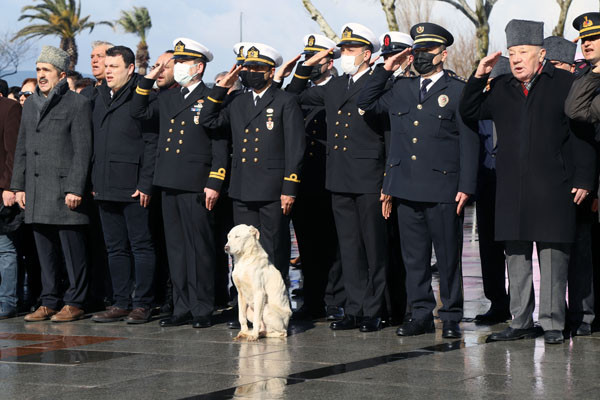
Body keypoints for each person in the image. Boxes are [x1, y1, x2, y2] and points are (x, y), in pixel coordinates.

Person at [461, 19, 596, 344]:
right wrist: (479, 76)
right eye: (512, 52)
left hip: (554, 187)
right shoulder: (503, 86)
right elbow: (469, 110)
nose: (517, 58)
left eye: (523, 52)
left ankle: (552, 323)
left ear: (542, 54)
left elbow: (582, 135)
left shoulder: (564, 82)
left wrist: (584, 177)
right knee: (517, 259)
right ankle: (521, 321)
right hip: (512, 190)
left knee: (552, 258)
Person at [357, 22, 479, 339]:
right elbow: (365, 102)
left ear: (443, 54)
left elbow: (469, 141)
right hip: (406, 187)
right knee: (414, 259)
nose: (422, 55)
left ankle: (450, 316)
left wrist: (467, 186)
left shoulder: (457, 90)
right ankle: (421, 313)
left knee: (448, 257)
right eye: (418, 50)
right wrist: (386, 68)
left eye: (428, 50)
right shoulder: (401, 88)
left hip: (443, 188)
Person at [285, 23, 388, 332]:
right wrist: (306, 67)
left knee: (373, 249)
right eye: (342, 50)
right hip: (339, 178)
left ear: (367, 54)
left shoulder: (378, 81)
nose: (345, 55)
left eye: (351, 50)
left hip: (369, 177)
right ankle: (353, 309)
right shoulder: (335, 86)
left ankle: (374, 310)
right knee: (350, 248)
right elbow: (292, 97)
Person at [132, 38, 228, 329]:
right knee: (176, 248)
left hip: (196, 182)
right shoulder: (168, 97)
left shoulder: (210, 97)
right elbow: (138, 111)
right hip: (169, 179)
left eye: (183, 62)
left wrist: (215, 181)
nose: (178, 67)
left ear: (199, 68)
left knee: (199, 248)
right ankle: (183, 306)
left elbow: (220, 144)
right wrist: (149, 77)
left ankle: (202, 307)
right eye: (177, 62)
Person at [202, 42, 305, 286]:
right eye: (248, 68)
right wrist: (221, 89)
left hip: (273, 188)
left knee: (273, 247)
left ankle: (275, 301)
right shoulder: (238, 101)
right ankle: (248, 301)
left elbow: (295, 147)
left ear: (271, 71)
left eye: (258, 68)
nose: (252, 73)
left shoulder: (285, 101)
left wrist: (289, 188)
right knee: (245, 250)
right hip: (243, 187)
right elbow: (208, 120)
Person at [11, 45, 92, 323]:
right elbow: (22, 147)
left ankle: (76, 301)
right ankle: (48, 301)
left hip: (63, 190)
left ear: (61, 74)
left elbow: (83, 150)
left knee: (72, 250)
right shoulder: (31, 104)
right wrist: (18, 186)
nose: (41, 75)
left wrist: (75, 188)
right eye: (38, 69)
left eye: (46, 70)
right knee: (44, 251)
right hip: (36, 189)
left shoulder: (77, 104)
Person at [276, 34, 345, 321]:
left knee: (333, 243)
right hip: (304, 178)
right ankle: (313, 300)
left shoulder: (340, 87)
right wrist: (295, 73)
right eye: (308, 59)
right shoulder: (299, 92)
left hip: (330, 175)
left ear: (330, 62)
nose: (311, 64)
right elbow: (286, 98)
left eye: (317, 59)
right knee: (307, 244)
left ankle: (335, 300)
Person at [88, 46, 158, 324]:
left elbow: (151, 143)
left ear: (130, 69)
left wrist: (146, 183)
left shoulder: (142, 95)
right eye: (106, 66)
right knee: (114, 247)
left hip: (133, 185)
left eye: (114, 67)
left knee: (140, 246)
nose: (108, 71)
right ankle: (120, 302)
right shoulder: (98, 96)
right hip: (104, 183)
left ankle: (142, 303)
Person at [473, 57, 512, 324]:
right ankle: (497, 303)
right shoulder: (481, 107)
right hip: (487, 185)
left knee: (517, 251)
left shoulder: (518, 106)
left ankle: (522, 305)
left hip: (514, 185)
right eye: (490, 82)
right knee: (489, 249)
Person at [0, 84, 22, 319]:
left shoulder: (9, 108)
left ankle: (7, 301)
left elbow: (13, 151)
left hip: (2, 190)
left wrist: (9, 186)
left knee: (4, 247)